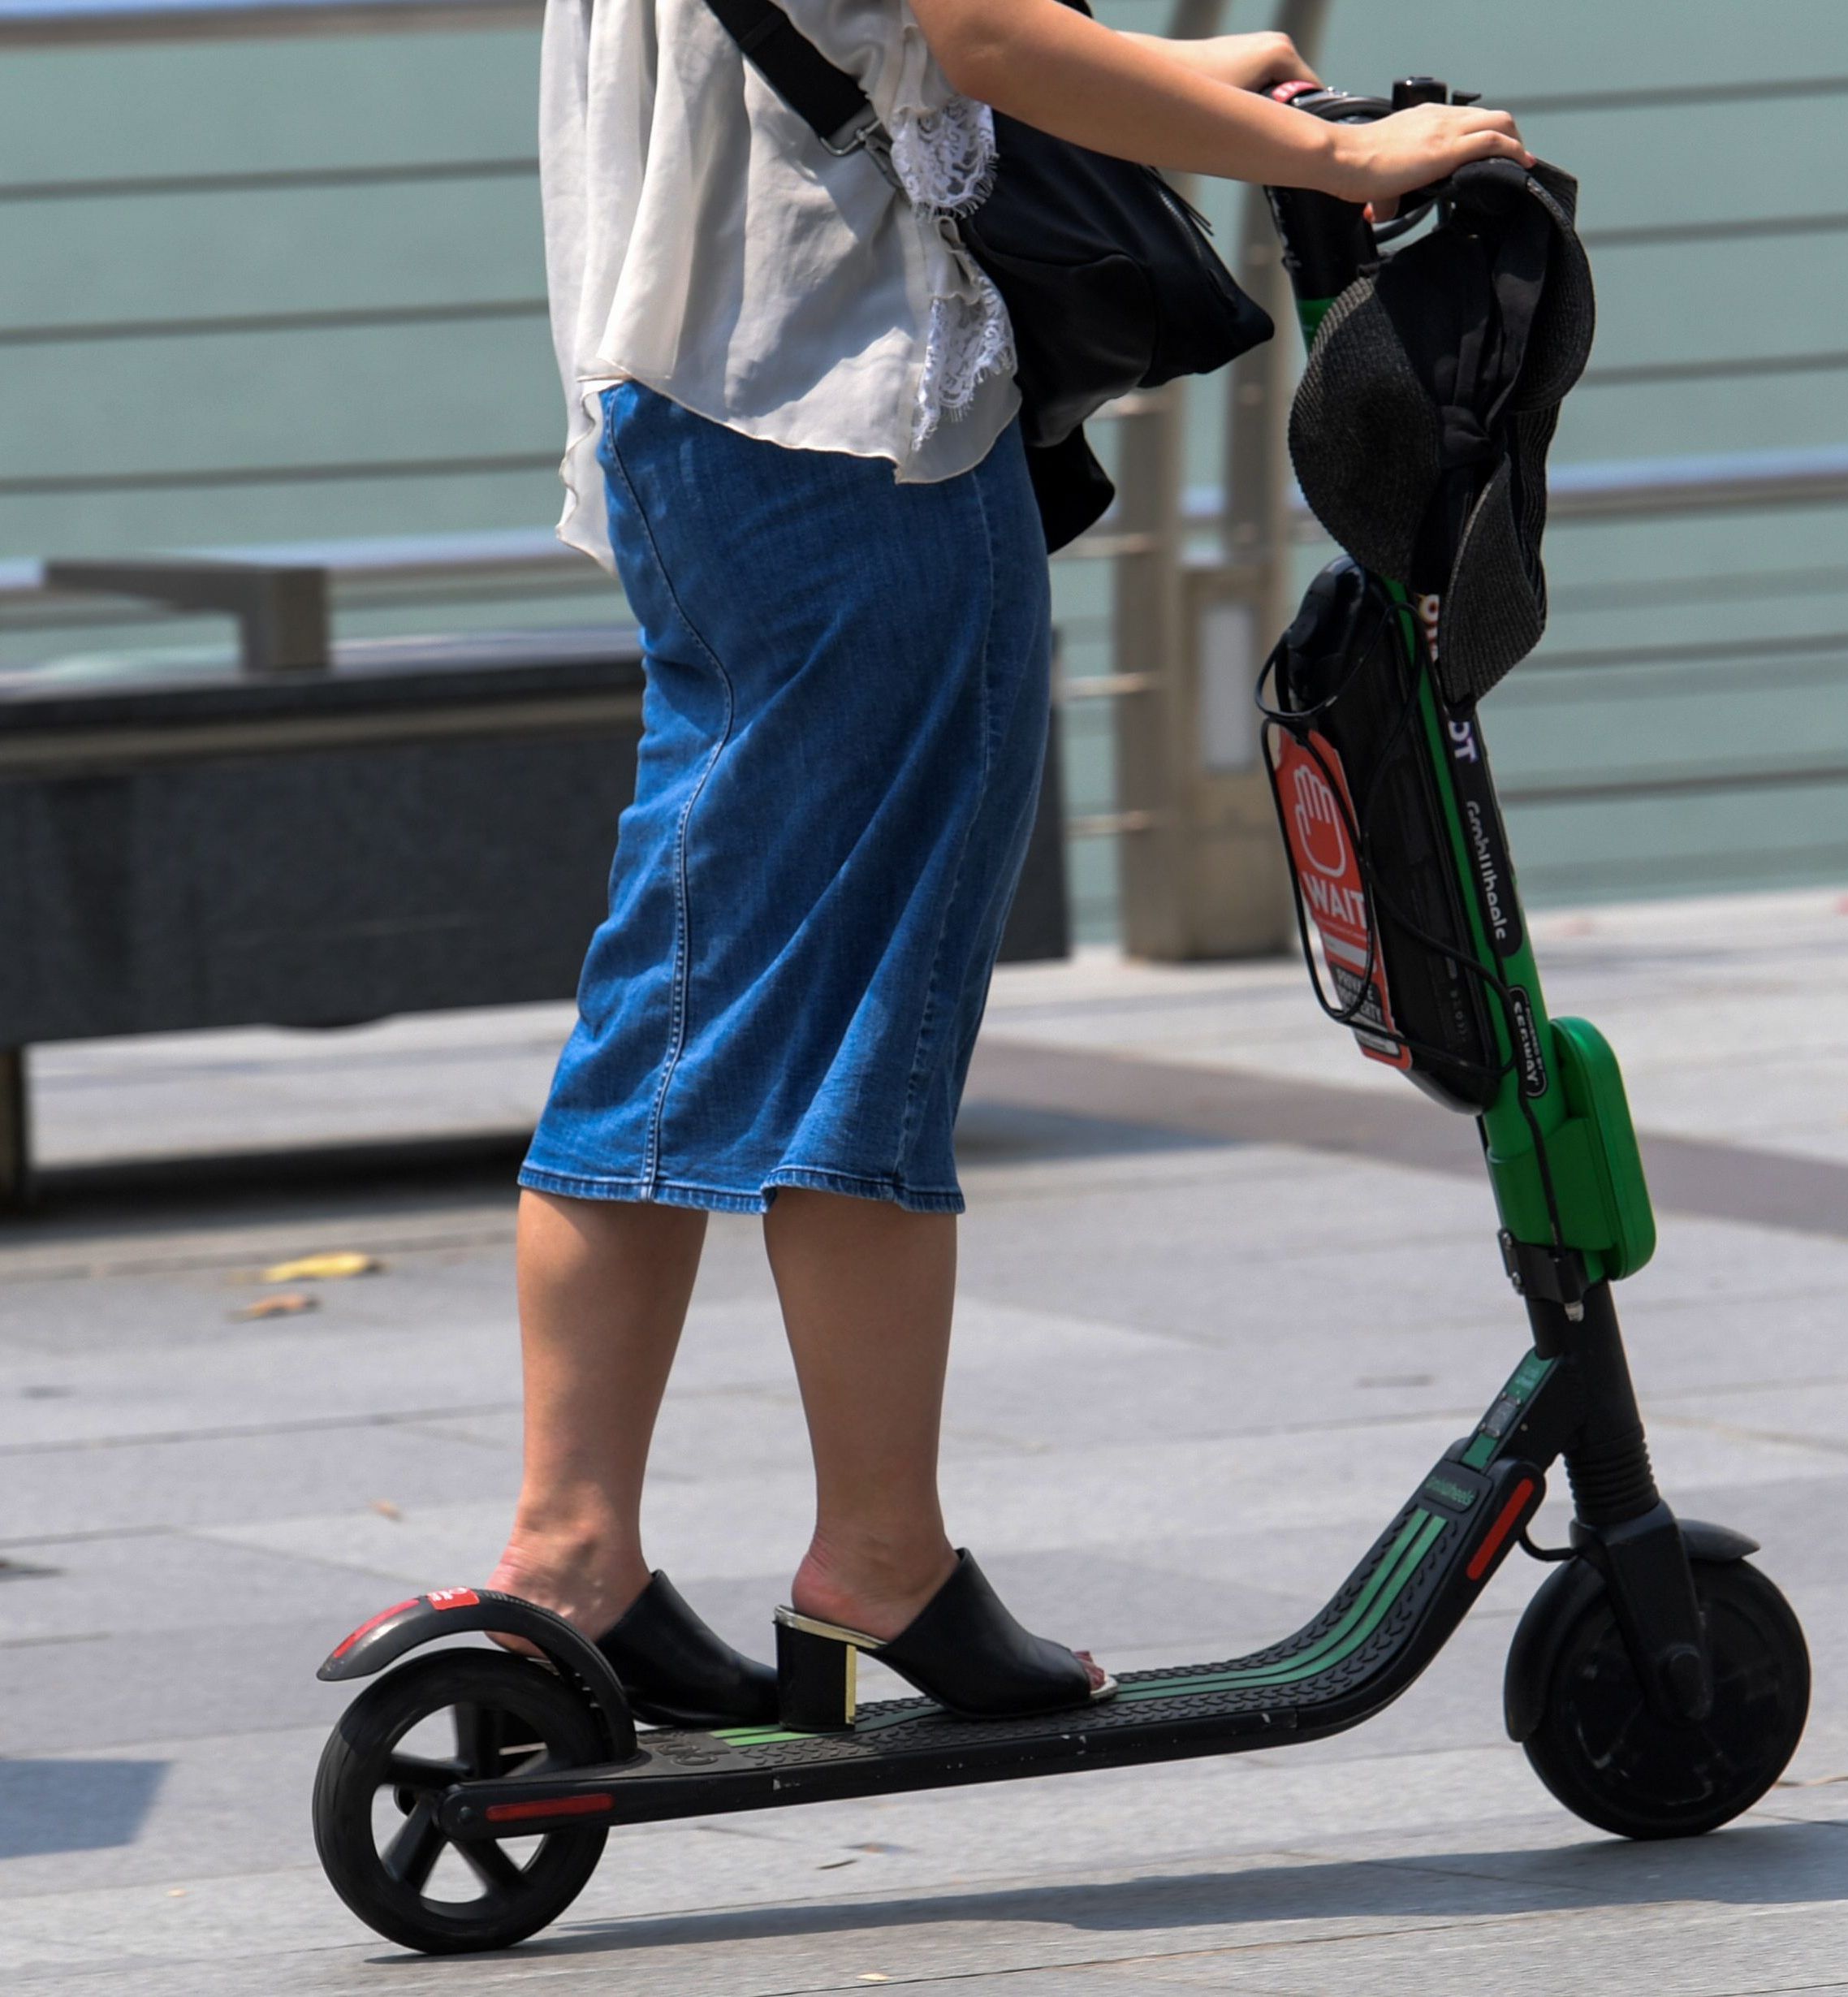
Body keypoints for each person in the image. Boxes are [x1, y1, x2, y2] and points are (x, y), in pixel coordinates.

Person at [491, 0, 1532, 1726]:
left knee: (672, 997)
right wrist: (1341, 157)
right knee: (869, 1030)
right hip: (852, 433)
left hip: (679, 416)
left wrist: (1177, 79)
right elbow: (981, 33)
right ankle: (878, 1557)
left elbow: (890, 42)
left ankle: (569, 1552)